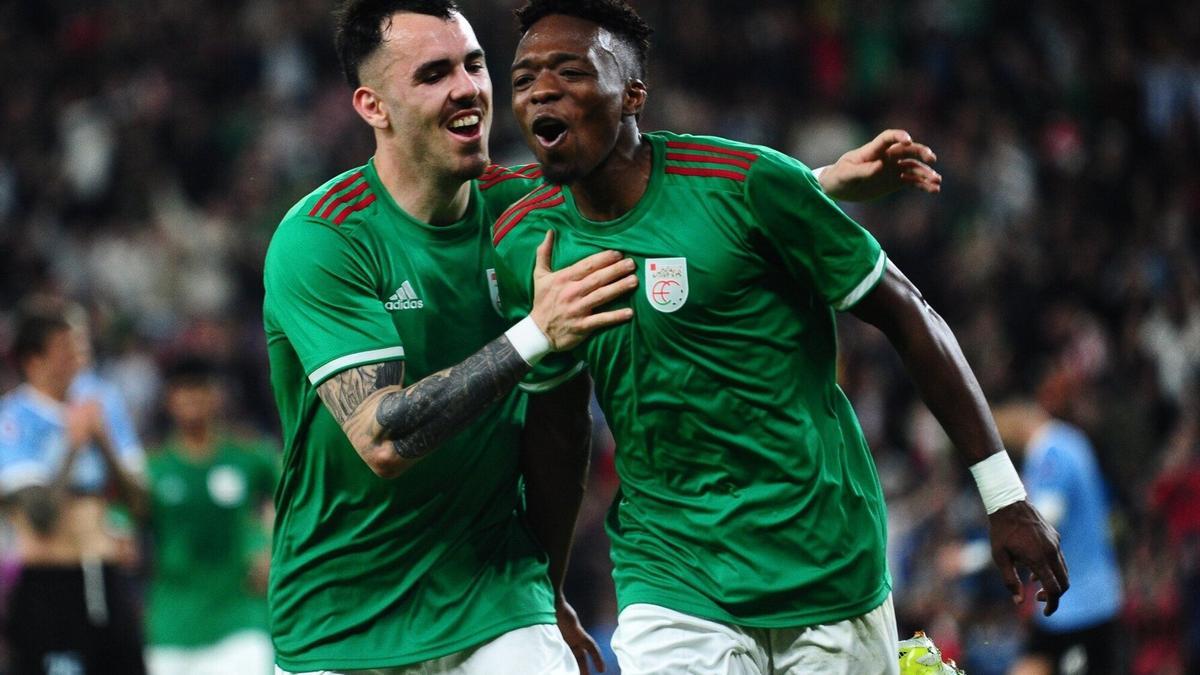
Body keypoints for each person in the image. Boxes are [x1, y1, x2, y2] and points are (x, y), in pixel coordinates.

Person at [264, 2, 943, 672]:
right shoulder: (324, 239)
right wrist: (533, 335)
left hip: (494, 593)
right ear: (372, 106)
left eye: (474, 65)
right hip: (342, 612)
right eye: (433, 74)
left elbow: (678, 209)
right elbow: (383, 437)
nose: (468, 87)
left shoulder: (524, 208)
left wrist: (819, 183)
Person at [491, 1, 1069, 673]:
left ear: (633, 94)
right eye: (525, 78)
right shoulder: (527, 241)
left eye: (569, 70)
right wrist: (551, 585)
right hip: (670, 569)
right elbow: (560, 422)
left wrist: (1003, 495)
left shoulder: (747, 183)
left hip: (823, 557)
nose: (541, 91)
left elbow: (909, 315)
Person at [0, 306, 148, 675]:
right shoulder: (13, 420)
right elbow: (40, 517)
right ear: (34, 360)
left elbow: (141, 501)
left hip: (106, 575)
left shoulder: (102, 404)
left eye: (82, 347)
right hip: (49, 586)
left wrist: (105, 443)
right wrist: (73, 445)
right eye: (66, 349)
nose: (79, 359)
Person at [143, 357, 278, 675]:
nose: (192, 399)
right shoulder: (152, 467)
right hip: (173, 621)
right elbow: (120, 521)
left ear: (218, 395)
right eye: (183, 390)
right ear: (168, 400)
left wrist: (272, 547)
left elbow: (291, 496)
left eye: (201, 389)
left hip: (239, 615)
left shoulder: (248, 455)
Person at [992, 400, 1122, 675]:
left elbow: (1042, 523)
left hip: (1077, 603)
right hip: (1087, 594)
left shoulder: (1050, 453)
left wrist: (979, 554)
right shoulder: (1071, 440)